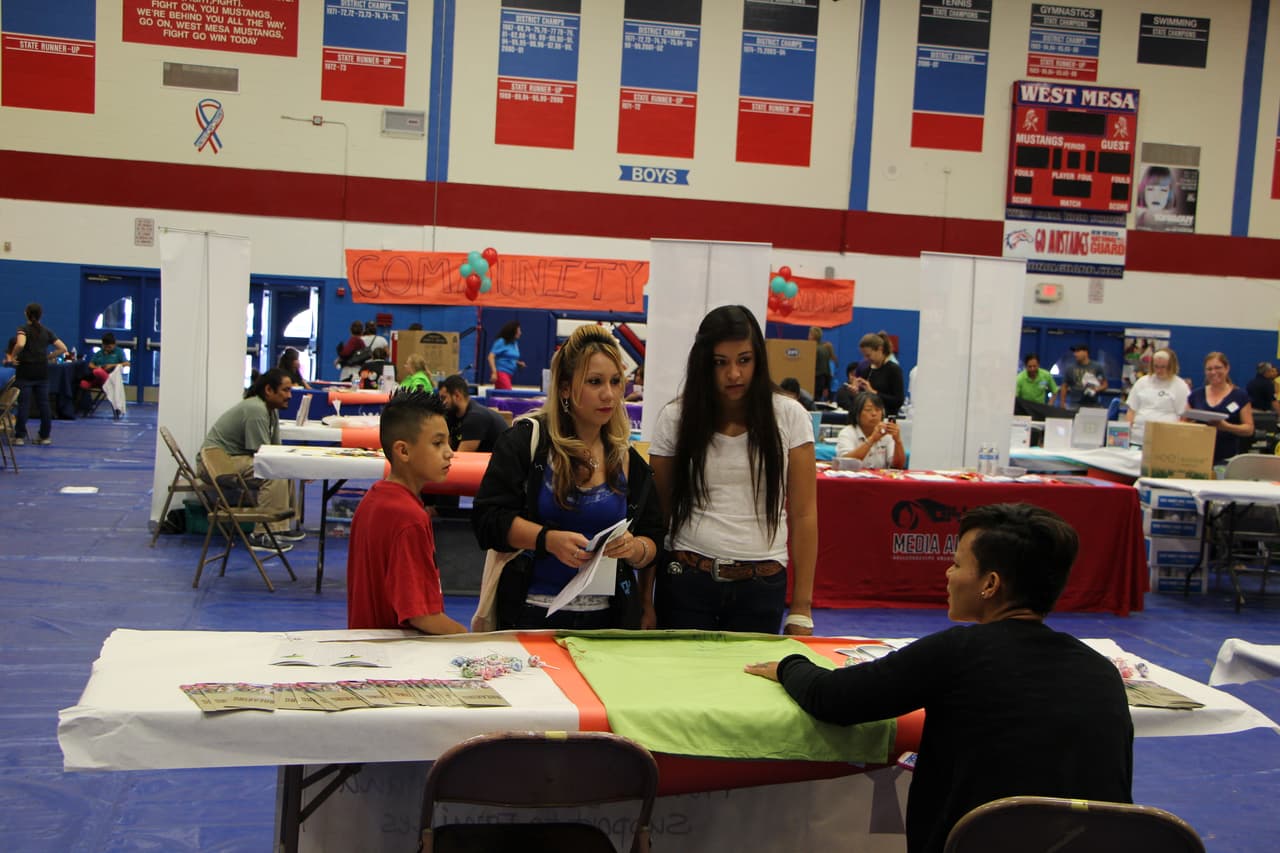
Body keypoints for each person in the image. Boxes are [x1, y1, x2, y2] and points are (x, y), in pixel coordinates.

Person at [744, 503, 1133, 853]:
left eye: (957, 564)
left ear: (990, 584)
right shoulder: (1101, 671)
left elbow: (834, 699)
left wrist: (788, 664)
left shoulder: (959, 652)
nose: (947, 574)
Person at [472, 324, 664, 629]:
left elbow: (654, 539)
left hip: (608, 623)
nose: (609, 394)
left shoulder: (627, 459)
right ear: (564, 388)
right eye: (594, 382)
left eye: (616, 382)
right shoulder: (525, 443)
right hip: (530, 614)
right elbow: (487, 520)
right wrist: (546, 540)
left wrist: (635, 549)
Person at [649, 305, 817, 635]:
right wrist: (644, 598)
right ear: (704, 364)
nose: (734, 374)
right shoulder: (675, 418)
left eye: (744, 360)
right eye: (720, 363)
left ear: (758, 359)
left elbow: (804, 514)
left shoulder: (790, 416)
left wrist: (801, 607)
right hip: (685, 581)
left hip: (762, 584)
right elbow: (659, 516)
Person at [347, 390, 467, 634]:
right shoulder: (409, 518)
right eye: (437, 443)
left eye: (448, 441)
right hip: (396, 660)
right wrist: (472, 640)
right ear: (403, 451)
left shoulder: (373, 499)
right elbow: (422, 616)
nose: (449, 452)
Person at [199, 368, 302, 551]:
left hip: (230, 458)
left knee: (285, 467)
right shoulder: (255, 409)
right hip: (216, 463)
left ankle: (281, 526)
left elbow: (275, 449)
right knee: (273, 472)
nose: (290, 395)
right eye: (286, 390)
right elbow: (263, 453)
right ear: (269, 390)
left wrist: (299, 466)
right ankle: (262, 533)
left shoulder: (271, 410)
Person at [9, 302, 68, 446]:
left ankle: (19, 437)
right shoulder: (46, 331)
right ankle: (45, 436)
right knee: (44, 405)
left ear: (26, 313)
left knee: (24, 404)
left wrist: (13, 356)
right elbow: (63, 348)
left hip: (25, 371)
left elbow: (21, 344)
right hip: (42, 372)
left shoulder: (23, 329)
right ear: (41, 315)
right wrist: (48, 357)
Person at [1186, 352, 1254, 465]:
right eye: (1209, 369)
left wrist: (1226, 427)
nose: (1213, 372)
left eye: (1218, 368)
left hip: (1226, 459)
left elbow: (1249, 429)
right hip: (1196, 458)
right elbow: (1182, 423)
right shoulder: (1196, 395)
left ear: (1227, 368)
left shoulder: (1240, 396)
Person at [1125, 347, 1189, 439]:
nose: (1159, 370)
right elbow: (1131, 411)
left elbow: (1184, 417)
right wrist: (1126, 434)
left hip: (1166, 439)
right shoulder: (1142, 382)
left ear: (1171, 366)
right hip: (1138, 437)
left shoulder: (1180, 386)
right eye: (1156, 366)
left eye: (1163, 367)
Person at [437, 374, 510, 452]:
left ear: (457, 395)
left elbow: (461, 458)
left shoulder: (475, 417)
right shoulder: (452, 415)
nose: (442, 403)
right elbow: (445, 449)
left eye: (444, 398)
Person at [836, 392, 904, 469]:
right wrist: (872, 439)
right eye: (868, 410)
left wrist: (898, 441)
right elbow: (846, 463)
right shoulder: (847, 433)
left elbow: (898, 466)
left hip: (880, 479)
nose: (874, 414)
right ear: (857, 413)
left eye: (878, 410)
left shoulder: (887, 433)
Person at [848, 332, 904, 416]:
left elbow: (898, 401)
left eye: (868, 355)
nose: (866, 359)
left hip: (887, 419)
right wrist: (856, 393)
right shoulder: (867, 371)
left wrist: (873, 392)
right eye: (864, 356)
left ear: (880, 349)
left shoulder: (893, 370)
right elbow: (864, 402)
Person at [487, 320, 524, 389]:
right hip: (501, 373)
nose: (520, 333)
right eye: (519, 331)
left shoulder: (515, 343)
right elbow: (491, 356)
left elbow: (508, 357)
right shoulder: (501, 342)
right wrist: (494, 372)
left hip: (510, 374)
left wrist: (518, 363)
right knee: (507, 395)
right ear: (513, 332)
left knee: (501, 397)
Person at [810, 326, 835, 402]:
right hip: (823, 380)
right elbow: (827, 370)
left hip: (814, 380)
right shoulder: (825, 349)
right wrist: (827, 385)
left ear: (812, 335)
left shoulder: (812, 349)